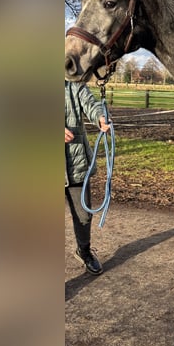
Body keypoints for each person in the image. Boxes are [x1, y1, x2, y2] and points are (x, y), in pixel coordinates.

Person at [65, 80, 111, 275]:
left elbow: (90, 103)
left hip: (75, 163)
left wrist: (100, 117)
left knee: (84, 214)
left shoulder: (73, 85)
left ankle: (84, 251)